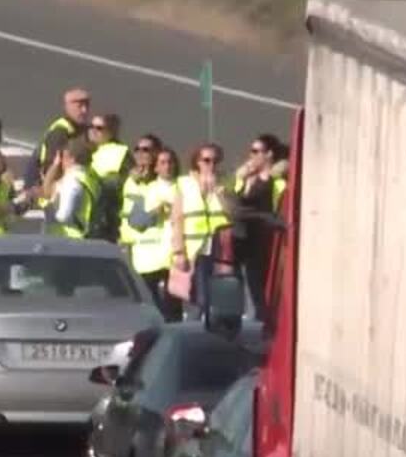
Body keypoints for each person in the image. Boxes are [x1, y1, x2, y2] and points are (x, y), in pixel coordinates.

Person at [229, 133, 289, 325]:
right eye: (251, 151)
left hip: (264, 243)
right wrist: (242, 180)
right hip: (243, 242)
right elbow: (235, 207)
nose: (251, 155)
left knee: (261, 291)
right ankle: (255, 321)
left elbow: (275, 210)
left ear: (269, 154)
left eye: (256, 151)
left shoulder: (277, 182)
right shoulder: (247, 179)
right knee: (249, 290)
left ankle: (260, 325)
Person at [171, 142, 234, 318]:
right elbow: (176, 219)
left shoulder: (226, 182)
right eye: (206, 160)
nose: (211, 165)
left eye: (215, 161)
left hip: (221, 249)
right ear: (197, 162)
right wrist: (178, 251)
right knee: (199, 299)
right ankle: (196, 330)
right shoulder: (184, 183)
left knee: (220, 298)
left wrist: (221, 194)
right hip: (195, 250)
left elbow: (233, 213)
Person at [118, 135, 177, 318]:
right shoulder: (132, 181)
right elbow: (135, 218)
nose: (142, 154)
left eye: (147, 149)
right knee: (146, 302)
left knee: (170, 305)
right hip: (137, 248)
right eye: (138, 149)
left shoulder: (167, 183)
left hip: (165, 252)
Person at [29, 87, 90, 201]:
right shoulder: (60, 132)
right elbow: (51, 166)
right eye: (80, 106)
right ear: (67, 106)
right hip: (57, 195)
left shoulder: (83, 129)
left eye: (87, 106)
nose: (84, 111)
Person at [42, 139, 98, 240]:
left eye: (62, 157)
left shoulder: (72, 182)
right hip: (76, 238)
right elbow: (47, 190)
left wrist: (47, 209)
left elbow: (64, 216)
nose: (60, 161)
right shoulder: (87, 177)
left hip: (66, 240)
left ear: (71, 158)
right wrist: (54, 167)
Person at [85, 112, 129, 241]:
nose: (93, 131)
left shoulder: (119, 151)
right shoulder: (86, 150)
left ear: (110, 132)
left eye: (99, 128)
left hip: (106, 216)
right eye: (91, 126)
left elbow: (124, 182)